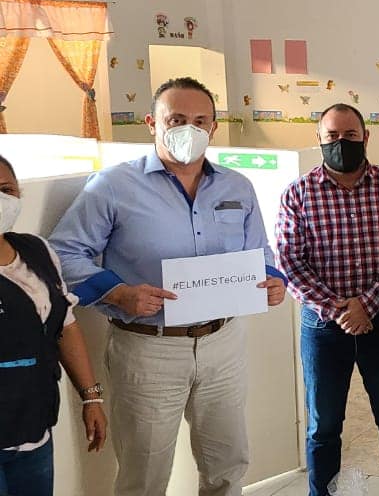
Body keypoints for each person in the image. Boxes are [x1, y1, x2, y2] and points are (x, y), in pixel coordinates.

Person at [49, 77, 287, 496]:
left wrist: (274, 279)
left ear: (213, 127)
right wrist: (118, 292)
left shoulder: (237, 186)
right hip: (148, 348)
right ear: (152, 123)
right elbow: (62, 255)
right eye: (177, 119)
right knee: (145, 474)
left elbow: (259, 250)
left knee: (228, 464)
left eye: (200, 121)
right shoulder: (113, 187)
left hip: (223, 343)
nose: (189, 130)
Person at [276, 104, 379, 496]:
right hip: (322, 327)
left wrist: (366, 305)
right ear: (319, 139)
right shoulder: (298, 193)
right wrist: (336, 309)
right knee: (323, 426)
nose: (342, 143)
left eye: (351, 135)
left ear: (366, 137)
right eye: (332, 136)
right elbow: (289, 261)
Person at [0, 154, 107, 496]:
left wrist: (91, 398)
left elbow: (65, 326)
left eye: (6, 189)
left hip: (33, 427)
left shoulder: (36, 251)